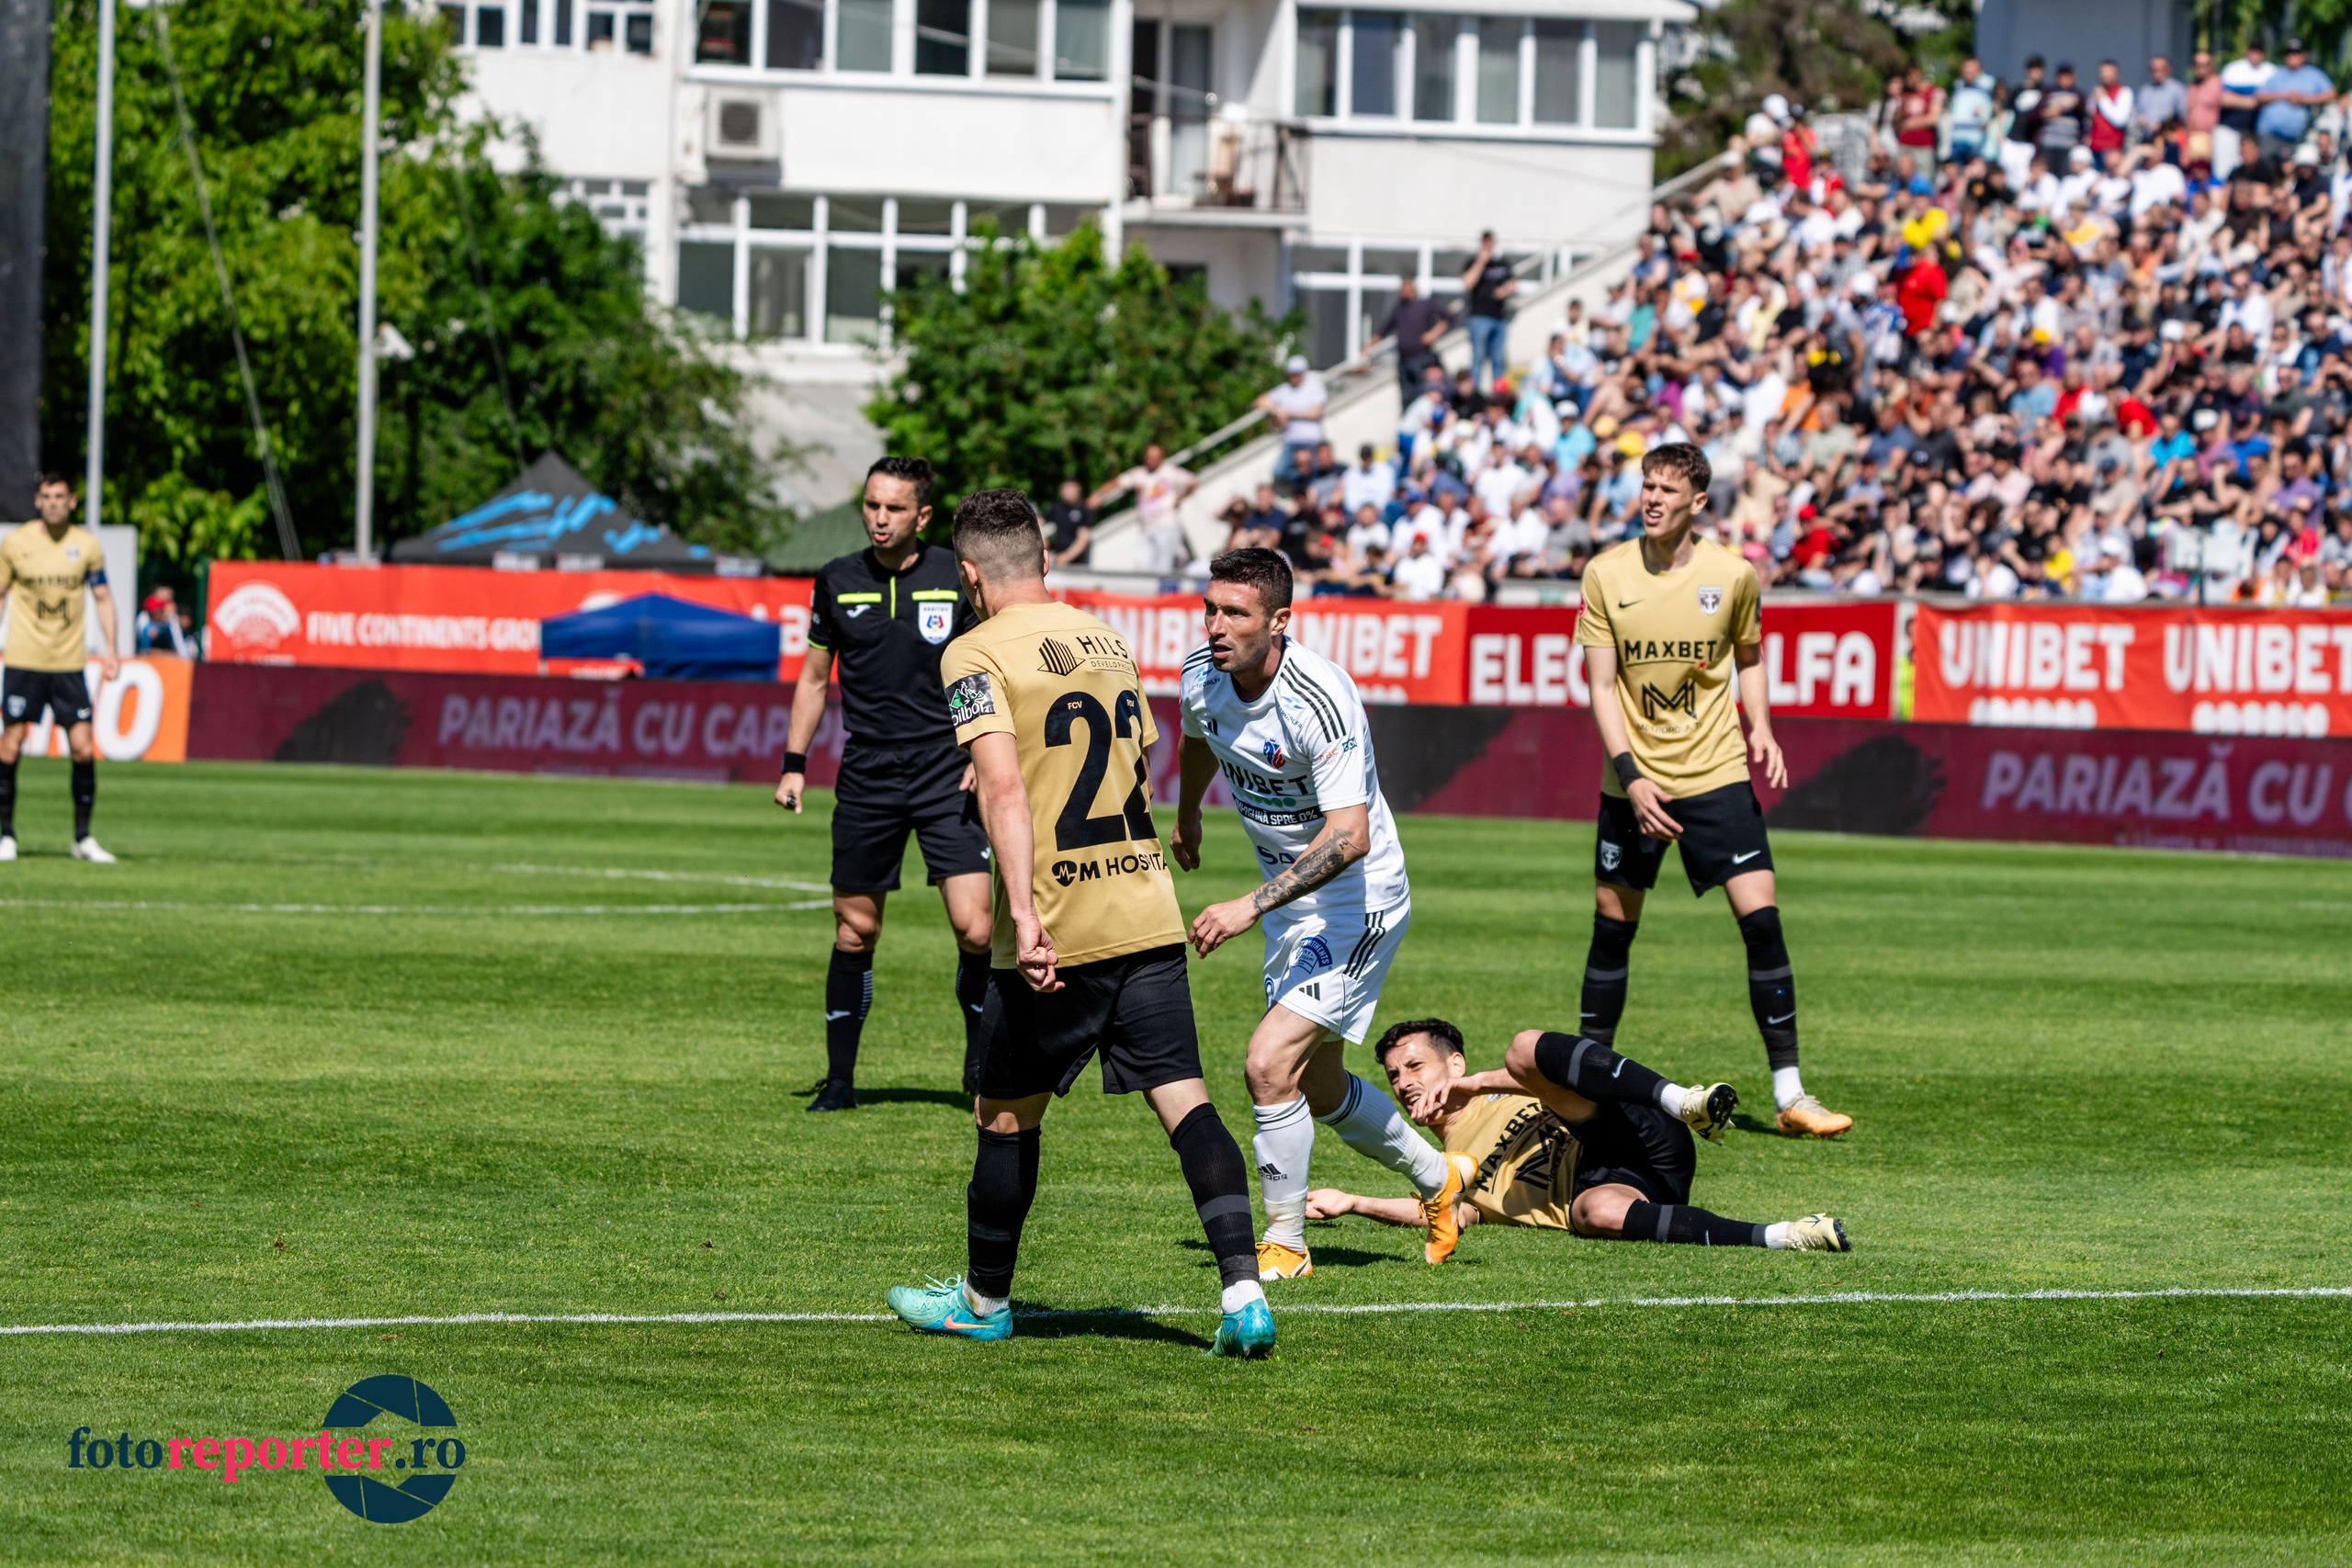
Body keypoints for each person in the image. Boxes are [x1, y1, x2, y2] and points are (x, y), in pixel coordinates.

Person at [884, 490, 1273, 1357]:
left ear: (972, 575)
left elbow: (1008, 787)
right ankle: (1245, 1293)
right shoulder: (1105, 636)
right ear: (1047, 561)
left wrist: (1021, 916)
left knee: (1003, 1113)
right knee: (1187, 1102)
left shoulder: (973, 651)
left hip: (1060, 923)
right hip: (1145, 905)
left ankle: (983, 1302)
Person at [1172, 547, 1473, 1281]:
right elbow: (1197, 737)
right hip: (1289, 904)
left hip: (1356, 899)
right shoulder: (1199, 675)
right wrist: (1186, 816)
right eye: (1210, 608)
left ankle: (1284, 1242)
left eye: (1235, 613)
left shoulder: (1320, 695)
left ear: (1280, 621)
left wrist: (1249, 903)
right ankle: (1441, 1180)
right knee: (1318, 1084)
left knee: (1267, 1062)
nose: (1216, 625)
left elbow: (1349, 834)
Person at [1573, 443, 1853, 1138]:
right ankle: (1583, 1087)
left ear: (1700, 502)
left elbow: (1749, 657)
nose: (1652, 498)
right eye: (1647, 486)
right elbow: (1600, 687)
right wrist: (1631, 776)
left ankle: (1791, 1094)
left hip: (1717, 772)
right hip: (1634, 782)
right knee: (1614, 929)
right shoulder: (1606, 573)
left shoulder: (1733, 575)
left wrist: (1761, 726)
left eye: (1668, 489)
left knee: (1762, 920)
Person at [775, 457, 991, 1112]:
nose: (878, 517)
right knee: (854, 932)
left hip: (947, 771)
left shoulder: (955, 573)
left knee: (977, 930)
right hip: (867, 772)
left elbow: (986, 665)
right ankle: (840, 1082)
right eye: (871, 504)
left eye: (893, 508)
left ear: (923, 516)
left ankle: (980, 1064)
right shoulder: (837, 578)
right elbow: (815, 680)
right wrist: (793, 762)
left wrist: (984, 749)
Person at [1307, 1018, 1851, 1251]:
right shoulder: (1442, 1164)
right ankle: (1786, 1234)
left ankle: (1683, 1100)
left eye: (1415, 1066)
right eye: (1394, 1076)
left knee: (1525, 1049)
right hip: (1617, 1180)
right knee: (1594, 1216)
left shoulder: (1495, 1088)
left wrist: (1471, 1087)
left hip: (1631, 1123)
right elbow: (1454, 1212)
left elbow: (1538, 1069)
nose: (1403, 1084)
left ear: (1454, 1063)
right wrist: (1354, 1201)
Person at [0, 473, 120, 863]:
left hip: (69, 664)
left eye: (60, 496)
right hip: (23, 659)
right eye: (46, 496)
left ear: (72, 501)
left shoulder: (86, 546)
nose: (53, 502)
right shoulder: (15, 544)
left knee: (84, 748)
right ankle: (6, 836)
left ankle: (82, 838)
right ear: (37, 501)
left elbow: (103, 598)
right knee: (10, 744)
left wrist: (112, 650)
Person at [1089, 441, 1198, 576]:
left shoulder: (1170, 472)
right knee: (1143, 565)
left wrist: (1179, 499)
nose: (1152, 460)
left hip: (1167, 525)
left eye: (1156, 456)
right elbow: (1118, 482)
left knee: (1163, 567)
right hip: (1146, 527)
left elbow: (1193, 481)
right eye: (1149, 456)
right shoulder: (1139, 474)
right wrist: (1098, 495)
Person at [2255, 38, 2335, 165]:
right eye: (2289, 53)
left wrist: (2305, 99)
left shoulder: (2313, 75)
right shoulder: (2277, 74)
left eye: (2296, 53)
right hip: (2270, 134)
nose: (2293, 56)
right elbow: (2259, 96)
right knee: (2267, 170)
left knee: (2296, 174)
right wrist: (2284, 96)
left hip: (2298, 138)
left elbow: (2331, 94)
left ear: (2303, 55)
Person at [1373, 276, 1453, 398]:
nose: (1403, 290)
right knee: (1407, 396)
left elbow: (1448, 317)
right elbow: (1385, 329)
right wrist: (1369, 345)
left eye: (1406, 286)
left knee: (1423, 393)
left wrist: (1433, 334)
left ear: (1413, 288)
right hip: (1403, 360)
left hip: (1421, 358)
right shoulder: (1399, 308)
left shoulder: (1425, 305)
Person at [1259, 356, 1329, 489]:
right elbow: (1260, 401)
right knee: (1279, 471)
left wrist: (1288, 413)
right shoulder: (1284, 390)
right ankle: (1301, 488)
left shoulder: (1314, 388)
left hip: (1311, 440)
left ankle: (1308, 491)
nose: (1295, 376)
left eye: (1298, 373)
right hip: (1291, 441)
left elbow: (1315, 413)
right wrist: (1277, 410)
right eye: (1292, 373)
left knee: (1316, 471)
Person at [1462, 231, 1517, 393]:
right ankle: (1476, 393)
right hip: (1479, 318)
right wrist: (1481, 262)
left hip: (1499, 318)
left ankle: (1498, 393)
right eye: (1485, 242)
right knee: (1478, 358)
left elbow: (1513, 284)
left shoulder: (1503, 263)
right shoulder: (1473, 262)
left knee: (1498, 359)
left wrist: (1504, 291)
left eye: (1490, 242)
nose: (1488, 246)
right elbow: (1467, 283)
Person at [2215, 40, 2271, 181]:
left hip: (2255, 133)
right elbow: (2224, 99)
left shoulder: (2270, 71)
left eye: (2258, 51)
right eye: (2252, 51)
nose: (2255, 55)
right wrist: (2253, 102)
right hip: (2231, 128)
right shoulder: (2233, 70)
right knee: (2224, 171)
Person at [2133, 54, 2186, 146]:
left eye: (2160, 69)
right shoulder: (2145, 90)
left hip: (2168, 140)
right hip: (2147, 138)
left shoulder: (2177, 90)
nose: (2156, 73)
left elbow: (2182, 116)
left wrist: (2163, 126)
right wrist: (2143, 120)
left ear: (2168, 70)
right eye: (2153, 70)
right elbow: (2139, 113)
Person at [1042, 479, 1092, 568]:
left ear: (1079, 489)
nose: (1069, 491)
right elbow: (1039, 522)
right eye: (1066, 488)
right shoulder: (1056, 507)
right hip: (1058, 560)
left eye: (1072, 488)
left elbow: (1083, 539)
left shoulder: (1084, 509)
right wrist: (1040, 539)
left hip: (1077, 565)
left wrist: (1065, 557)